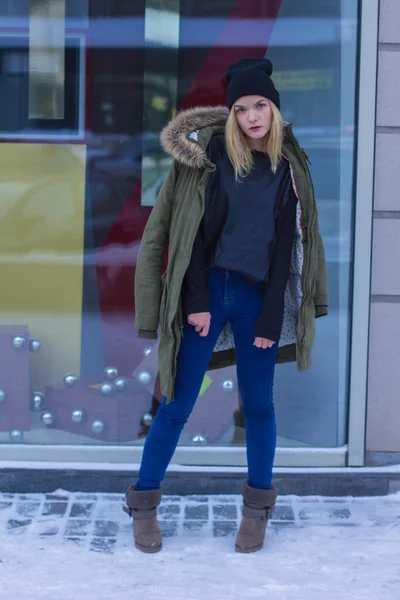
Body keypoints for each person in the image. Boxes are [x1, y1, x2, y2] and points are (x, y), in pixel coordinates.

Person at [123, 58, 328, 554]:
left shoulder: (289, 166)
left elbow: (289, 246)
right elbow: (182, 235)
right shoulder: (203, 160)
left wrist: (269, 316)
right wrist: (194, 300)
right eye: (242, 108)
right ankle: (143, 503)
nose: (253, 116)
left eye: (261, 105)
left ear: (274, 110)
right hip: (209, 294)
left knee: (259, 407)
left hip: (260, 297)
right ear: (230, 114)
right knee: (175, 405)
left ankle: (257, 509)